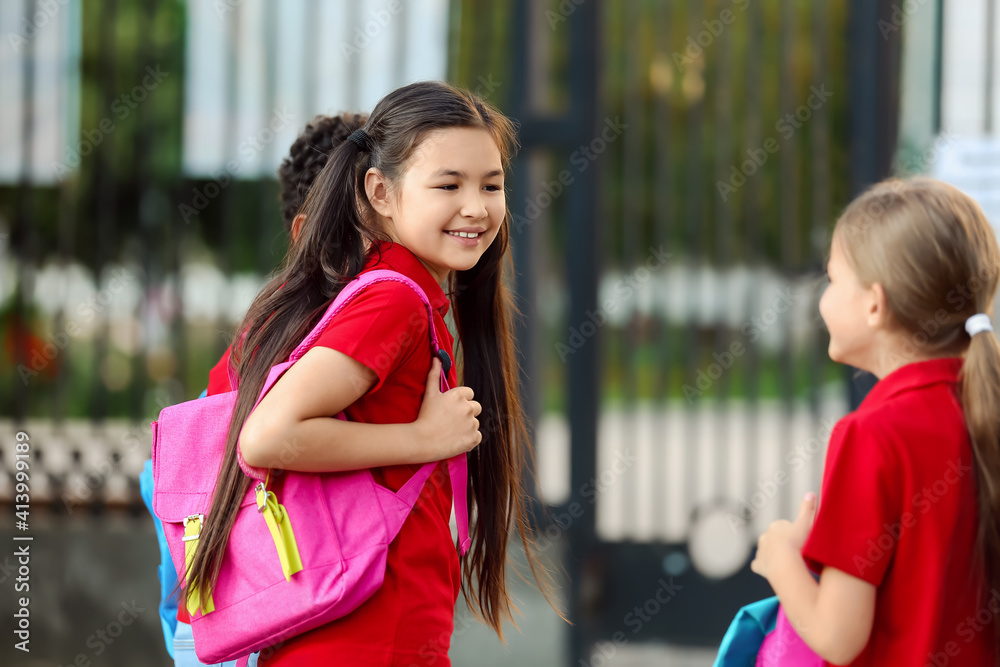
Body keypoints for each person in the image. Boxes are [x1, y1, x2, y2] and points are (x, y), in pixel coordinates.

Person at [185, 80, 561, 666]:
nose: (476, 207)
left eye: (492, 185)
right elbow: (266, 437)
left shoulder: (400, 294)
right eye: (448, 185)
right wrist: (423, 439)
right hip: (365, 643)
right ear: (380, 192)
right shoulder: (393, 301)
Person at [140, 112, 368, 666]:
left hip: (218, 611)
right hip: (260, 609)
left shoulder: (269, 319)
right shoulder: (319, 328)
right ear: (307, 231)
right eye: (370, 221)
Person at [750, 178, 1000, 665]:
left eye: (832, 279)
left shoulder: (871, 435)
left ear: (874, 304)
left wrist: (781, 560)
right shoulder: (982, 408)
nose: (823, 297)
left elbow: (837, 636)